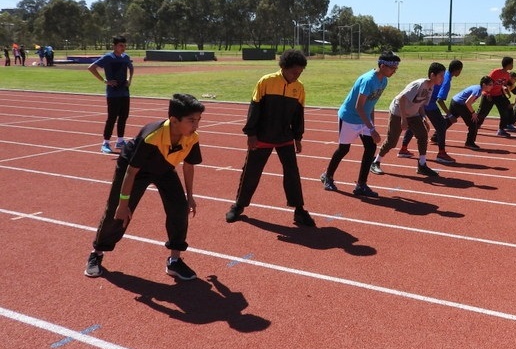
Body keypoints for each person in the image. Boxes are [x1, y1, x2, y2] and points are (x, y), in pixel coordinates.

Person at [83, 93, 205, 281]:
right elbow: (131, 172)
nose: (196, 125)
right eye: (191, 120)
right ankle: (97, 253)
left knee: (179, 209)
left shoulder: (191, 137)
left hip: (164, 168)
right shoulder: (152, 136)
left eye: (198, 120)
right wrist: (124, 204)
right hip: (134, 168)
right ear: (174, 120)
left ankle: (174, 261)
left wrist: (189, 196)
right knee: (117, 213)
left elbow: (189, 166)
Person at [225, 50, 314, 227]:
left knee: (292, 173)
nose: (297, 75)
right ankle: (239, 205)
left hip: (285, 137)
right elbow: (254, 108)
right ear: (284, 67)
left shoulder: (299, 88)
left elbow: (298, 115)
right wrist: (251, 134)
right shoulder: (266, 82)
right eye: (295, 72)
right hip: (262, 136)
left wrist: (298, 137)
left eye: (300, 72)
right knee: (251, 171)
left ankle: (299, 209)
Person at [320, 51, 401, 198]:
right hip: (350, 118)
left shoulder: (384, 81)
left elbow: (371, 104)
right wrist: (371, 128)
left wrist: (372, 126)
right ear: (382, 66)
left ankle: (361, 185)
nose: (394, 71)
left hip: (363, 119)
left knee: (370, 147)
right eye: (392, 68)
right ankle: (327, 176)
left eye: (396, 68)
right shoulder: (368, 80)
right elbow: (359, 106)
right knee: (344, 149)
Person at [370, 62, 446, 177]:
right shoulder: (419, 84)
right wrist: (404, 120)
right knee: (392, 141)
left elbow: (420, 104)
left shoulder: (431, 87)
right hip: (398, 112)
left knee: (423, 135)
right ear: (432, 75)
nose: (443, 78)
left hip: (412, 113)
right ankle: (375, 162)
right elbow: (401, 99)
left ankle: (422, 165)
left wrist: (424, 117)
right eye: (441, 75)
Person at [398, 59, 463, 163]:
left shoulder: (444, 74)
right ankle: (441, 153)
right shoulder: (446, 81)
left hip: (423, 102)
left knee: (415, 124)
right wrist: (449, 114)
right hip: (428, 104)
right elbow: (440, 99)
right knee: (441, 125)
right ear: (457, 70)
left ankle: (403, 148)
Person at [88, 36, 135, 153]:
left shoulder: (126, 57)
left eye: (124, 46)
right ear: (114, 46)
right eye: (120, 45)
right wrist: (105, 81)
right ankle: (106, 143)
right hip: (113, 94)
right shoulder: (108, 57)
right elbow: (91, 68)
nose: (123, 48)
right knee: (112, 118)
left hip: (124, 92)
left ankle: (120, 141)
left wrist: (130, 79)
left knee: (123, 117)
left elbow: (131, 67)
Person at [449, 76, 494, 149]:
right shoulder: (478, 90)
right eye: (490, 85)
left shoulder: (478, 88)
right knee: (473, 122)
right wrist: (473, 113)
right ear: (484, 85)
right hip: (460, 104)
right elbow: (467, 103)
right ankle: (469, 143)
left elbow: (468, 101)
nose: (492, 87)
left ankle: (436, 137)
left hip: (454, 101)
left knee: (449, 120)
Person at [477, 56, 515, 136]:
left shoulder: (507, 75)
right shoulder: (496, 72)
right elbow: (486, 82)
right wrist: (487, 94)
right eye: (512, 64)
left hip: (498, 95)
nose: (512, 65)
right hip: (488, 94)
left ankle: (501, 129)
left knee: (505, 110)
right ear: (507, 64)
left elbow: (503, 84)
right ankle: (475, 126)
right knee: (483, 113)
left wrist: (506, 91)